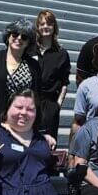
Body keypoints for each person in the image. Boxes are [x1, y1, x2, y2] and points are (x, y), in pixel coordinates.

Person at [34, 10, 70, 141]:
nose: (45, 26)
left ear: (54, 26)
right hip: (29, 101)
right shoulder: (30, 50)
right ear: (37, 27)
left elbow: (65, 83)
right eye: (42, 24)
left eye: (49, 23)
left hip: (50, 104)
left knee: (47, 144)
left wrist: (57, 105)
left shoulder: (62, 54)